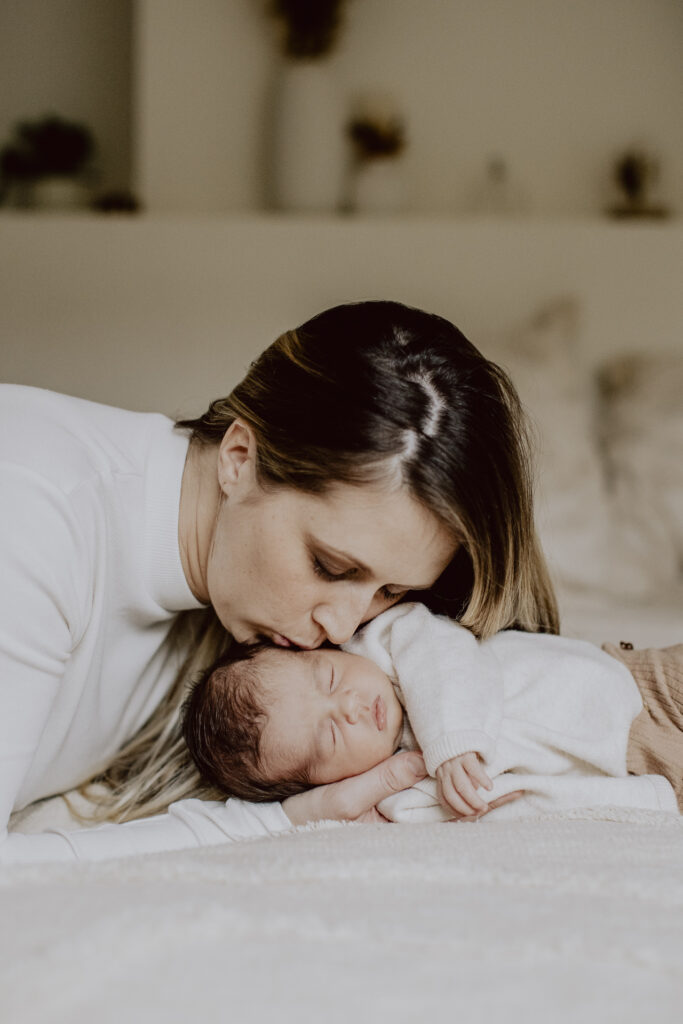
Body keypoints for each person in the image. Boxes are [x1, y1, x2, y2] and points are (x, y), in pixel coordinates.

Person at [0, 300, 556, 863]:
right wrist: (285, 822)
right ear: (239, 457)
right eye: (331, 568)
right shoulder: (31, 511)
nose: (342, 624)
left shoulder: (239, 625)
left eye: (392, 593)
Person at [182, 603, 682, 820]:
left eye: (329, 679)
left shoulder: (390, 642)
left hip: (637, 684)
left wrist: (451, 741)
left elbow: (446, 653)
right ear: (324, 783)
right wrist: (648, 800)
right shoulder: (404, 794)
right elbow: (514, 805)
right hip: (641, 765)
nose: (351, 708)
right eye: (330, 737)